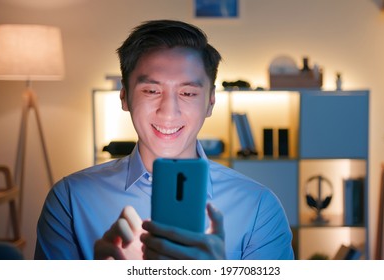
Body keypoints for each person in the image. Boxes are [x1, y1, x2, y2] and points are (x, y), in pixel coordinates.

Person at [34, 19, 294, 260]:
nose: (169, 111)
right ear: (124, 97)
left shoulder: (259, 207)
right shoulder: (70, 199)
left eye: (188, 93)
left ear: (210, 101)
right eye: (151, 90)